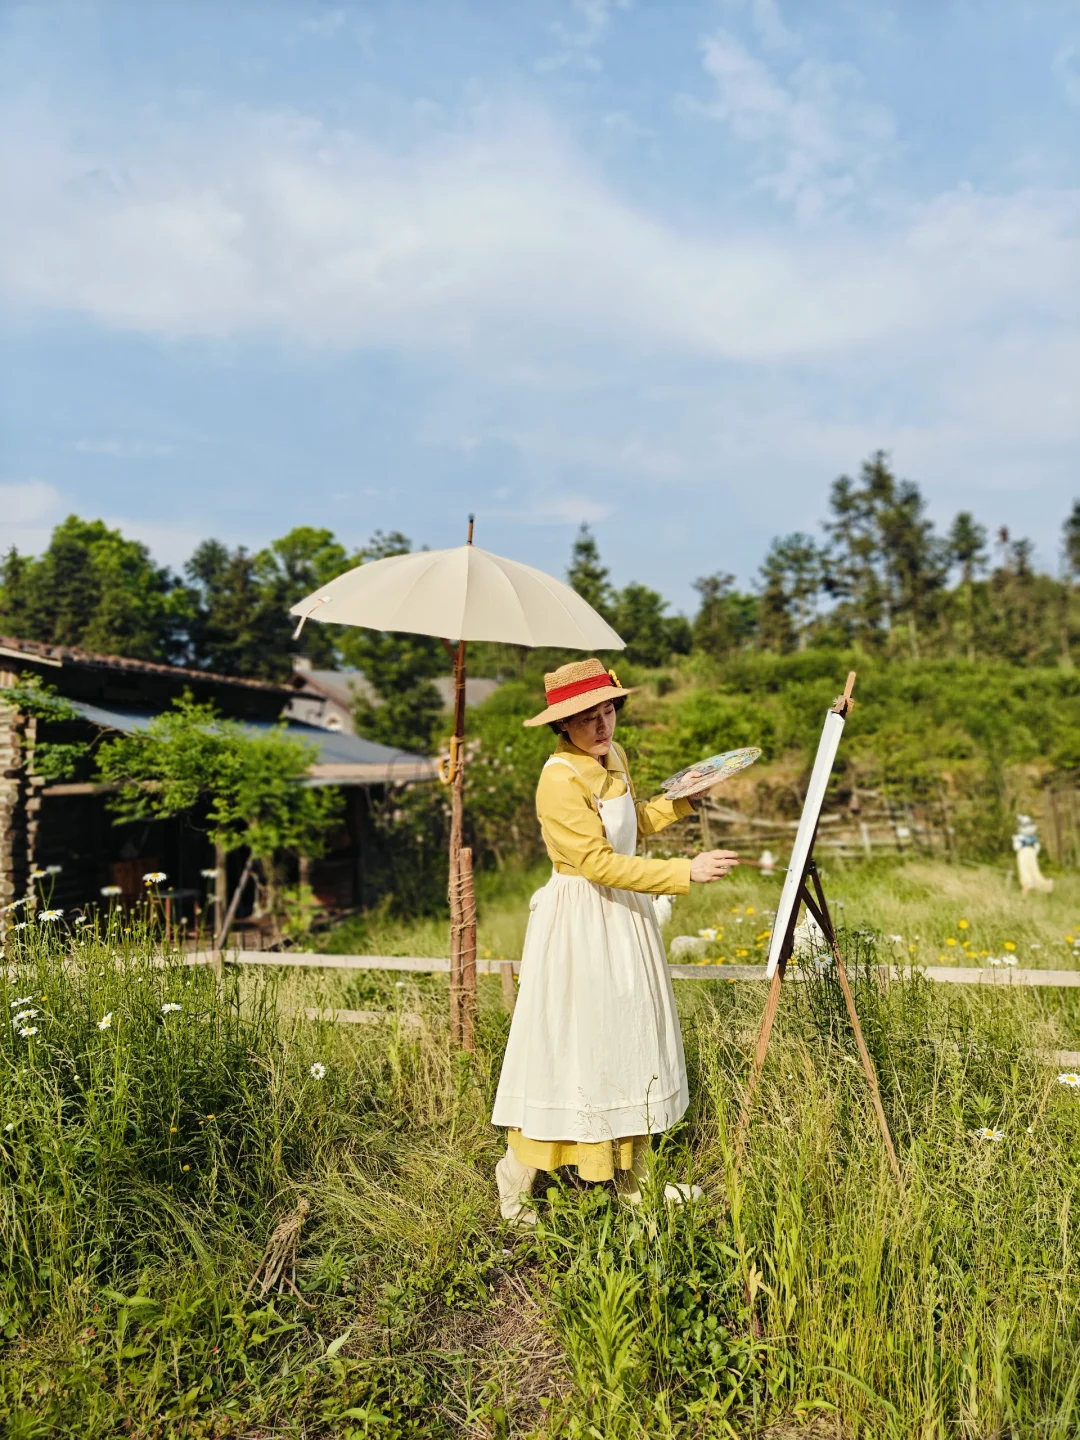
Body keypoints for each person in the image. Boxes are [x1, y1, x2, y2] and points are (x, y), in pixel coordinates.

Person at [491, 658, 739, 1223]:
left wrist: (682, 800)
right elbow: (598, 862)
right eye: (587, 718)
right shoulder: (559, 778)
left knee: (627, 1044)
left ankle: (635, 1182)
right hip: (581, 922)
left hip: (623, 917)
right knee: (572, 1049)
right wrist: (685, 872)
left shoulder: (613, 759)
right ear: (563, 724)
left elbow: (630, 828)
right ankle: (515, 1182)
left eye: (608, 712)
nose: (602, 727)